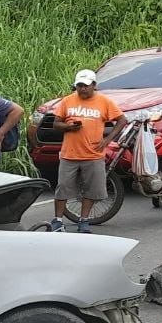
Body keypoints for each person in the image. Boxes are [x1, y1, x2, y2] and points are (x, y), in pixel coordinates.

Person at [48, 69, 127, 233]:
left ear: (94, 85)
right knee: (62, 188)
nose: (82, 89)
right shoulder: (68, 101)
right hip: (69, 154)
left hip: (93, 155)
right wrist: (69, 126)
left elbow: (122, 120)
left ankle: (83, 221)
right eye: (79, 86)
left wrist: (108, 139)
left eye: (86, 85)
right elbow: (56, 124)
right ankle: (57, 221)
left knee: (91, 190)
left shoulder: (104, 102)